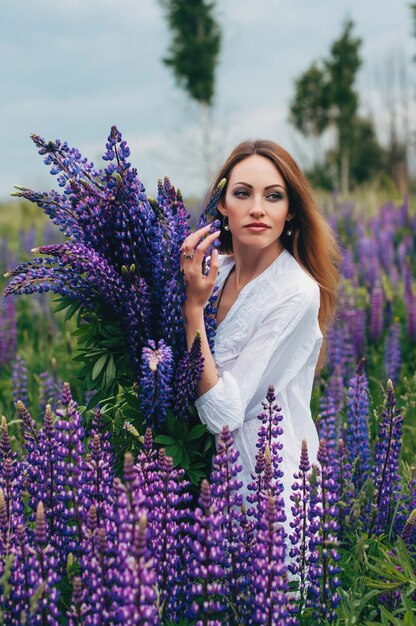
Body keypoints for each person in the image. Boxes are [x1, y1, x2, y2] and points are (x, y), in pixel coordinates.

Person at [180, 139, 340, 527]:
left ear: (290, 213)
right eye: (242, 193)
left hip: (267, 497)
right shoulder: (214, 274)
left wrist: (193, 308)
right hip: (198, 487)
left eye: (273, 196)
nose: (257, 208)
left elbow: (224, 414)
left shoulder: (296, 292)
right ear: (222, 205)